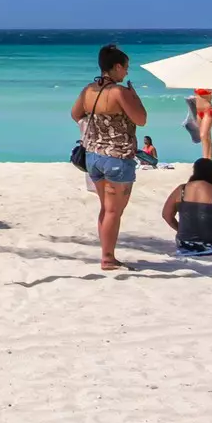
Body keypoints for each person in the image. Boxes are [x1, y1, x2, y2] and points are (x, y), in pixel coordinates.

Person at [69, 43, 148, 271]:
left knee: (106, 208)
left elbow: (76, 115)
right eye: (125, 67)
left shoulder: (89, 90)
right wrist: (135, 96)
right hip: (117, 157)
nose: (126, 72)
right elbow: (141, 119)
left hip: (94, 156)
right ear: (115, 67)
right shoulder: (119, 92)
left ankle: (107, 254)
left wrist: (100, 127)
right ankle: (108, 258)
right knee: (114, 210)